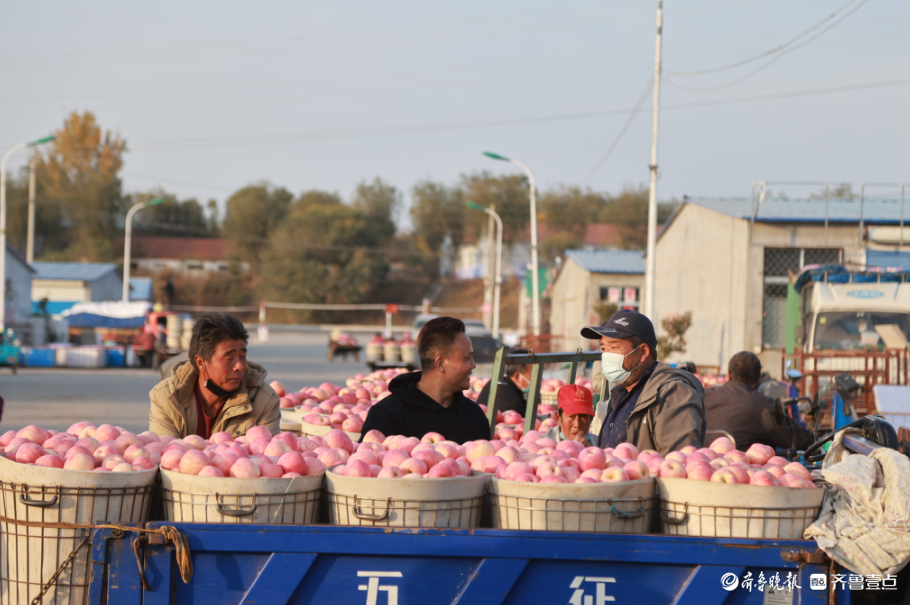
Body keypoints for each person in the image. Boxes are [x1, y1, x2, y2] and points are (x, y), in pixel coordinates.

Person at [581, 309, 705, 456]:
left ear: (643, 352)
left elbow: (677, 463)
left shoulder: (674, 393)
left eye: (614, 347)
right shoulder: (621, 392)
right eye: (603, 348)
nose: (606, 355)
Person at [149, 312, 280, 439]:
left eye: (242, 356)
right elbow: (168, 455)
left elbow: (263, 458)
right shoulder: (166, 398)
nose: (240, 366)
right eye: (229, 358)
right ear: (201, 362)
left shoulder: (264, 401)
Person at [360, 317, 490, 443]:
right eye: (467, 358)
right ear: (440, 364)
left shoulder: (474, 416)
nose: (473, 365)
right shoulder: (386, 416)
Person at [704, 351, 815, 452]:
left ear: (729, 373)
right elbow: (795, 438)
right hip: (746, 469)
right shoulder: (764, 405)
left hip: (702, 463)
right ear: (758, 377)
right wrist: (811, 435)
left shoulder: (705, 396)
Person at [475, 348, 532, 415]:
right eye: (533, 376)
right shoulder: (513, 406)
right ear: (517, 377)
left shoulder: (496, 382)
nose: (539, 380)